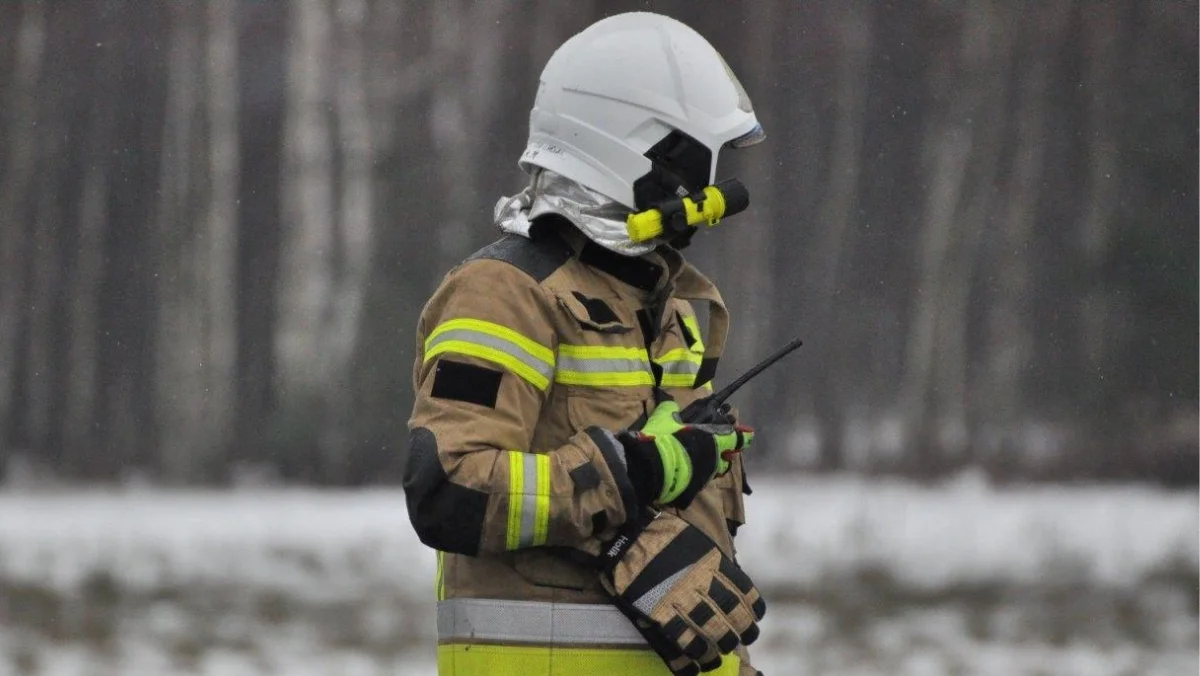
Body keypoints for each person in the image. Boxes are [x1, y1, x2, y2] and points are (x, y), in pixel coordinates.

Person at [404, 12, 768, 676]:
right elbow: (448, 490)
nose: (713, 191)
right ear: (639, 154)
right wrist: (635, 475)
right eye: (698, 162)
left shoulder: (676, 308)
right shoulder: (506, 295)